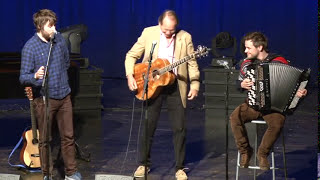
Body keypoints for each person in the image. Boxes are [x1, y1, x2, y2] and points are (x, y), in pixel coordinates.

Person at [124, 10, 200, 180]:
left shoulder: (185, 37)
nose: (168, 34)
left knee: (179, 127)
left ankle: (180, 167)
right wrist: (130, 75)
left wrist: (194, 84)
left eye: (171, 31)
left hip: (175, 85)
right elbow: (131, 55)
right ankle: (143, 164)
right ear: (160, 25)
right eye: (165, 30)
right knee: (148, 126)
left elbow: (192, 63)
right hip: (152, 83)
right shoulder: (148, 33)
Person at [230, 32, 307, 170]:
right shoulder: (246, 64)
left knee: (277, 122)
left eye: (248, 48)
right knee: (235, 117)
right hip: (252, 105)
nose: (245, 51)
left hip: (272, 107)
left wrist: (300, 93)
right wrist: (241, 85)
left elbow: (294, 84)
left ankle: (262, 154)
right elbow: (238, 82)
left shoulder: (279, 61)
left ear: (260, 47)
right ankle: (245, 151)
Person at [19, 9, 81, 180]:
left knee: (68, 136)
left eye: (55, 25)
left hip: (64, 96)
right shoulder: (30, 47)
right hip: (44, 100)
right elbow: (23, 77)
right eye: (50, 26)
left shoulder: (59, 39)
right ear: (40, 26)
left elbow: (67, 62)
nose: (55, 29)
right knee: (45, 140)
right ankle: (47, 174)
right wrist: (35, 76)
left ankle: (71, 172)